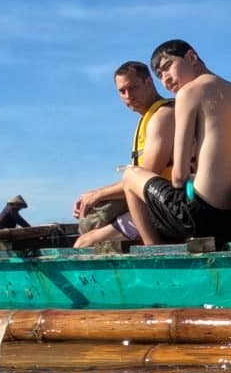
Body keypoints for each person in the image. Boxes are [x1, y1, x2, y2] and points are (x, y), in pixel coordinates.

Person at [120, 40, 231, 246]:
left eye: (167, 67)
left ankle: (153, 252)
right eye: (159, 75)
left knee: (130, 176)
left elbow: (179, 176)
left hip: (201, 217)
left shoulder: (189, 93)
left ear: (191, 57)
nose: (165, 79)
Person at [74, 61, 177, 249]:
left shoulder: (163, 116)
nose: (129, 96)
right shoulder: (148, 119)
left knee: (85, 244)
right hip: (153, 205)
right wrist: (93, 197)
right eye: (122, 91)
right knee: (90, 226)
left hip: (167, 206)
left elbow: (146, 179)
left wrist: (98, 195)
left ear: (149, 83)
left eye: (133, 88)